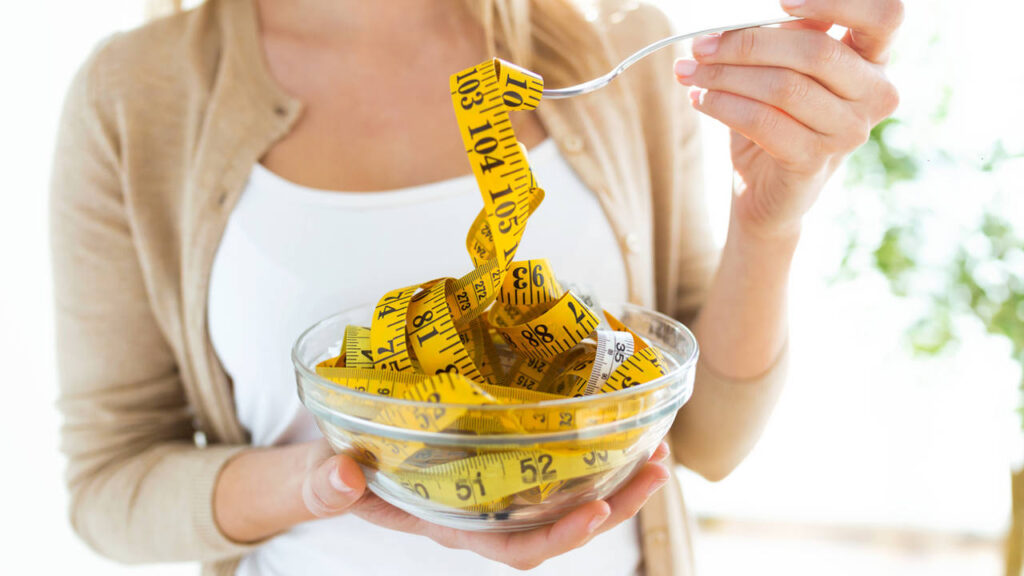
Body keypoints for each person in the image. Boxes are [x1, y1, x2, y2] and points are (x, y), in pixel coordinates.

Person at [49, 0, 901, 574]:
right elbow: (108, 486)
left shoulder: (615, 42)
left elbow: (706, 438)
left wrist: (769, 220)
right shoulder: (133, 97)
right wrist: (329, 481)